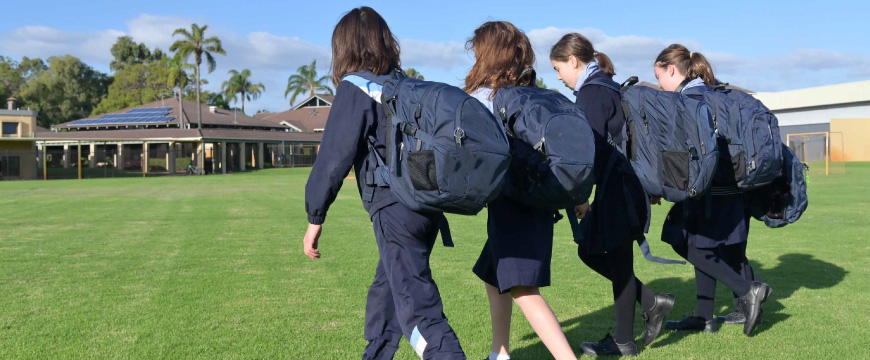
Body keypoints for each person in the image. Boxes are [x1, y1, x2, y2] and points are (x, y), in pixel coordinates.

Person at [302, 7, 466, 359]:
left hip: (395, 208)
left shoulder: (356, 87)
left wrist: (315, 218)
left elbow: (333, 158)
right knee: (388, 292)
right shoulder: (404, 84)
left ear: (344, 46)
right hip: (425, 206)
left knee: (419, 314)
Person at [549, 33, 675, 356]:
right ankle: (650, 303)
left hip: (618, 189)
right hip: (622, 187)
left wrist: (580, 195)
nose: (559, 77)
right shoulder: (606, 86)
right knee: (594, 252)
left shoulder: (591, 93)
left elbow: (586, 152)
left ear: (573, 61)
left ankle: (625, 340)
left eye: (558, 68)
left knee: (614, 261)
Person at [464, 21, 577, 360]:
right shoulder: (537, 93)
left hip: (513, 202)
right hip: (537, 198)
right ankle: (499, 352)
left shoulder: (487, 96)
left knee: (522, 287)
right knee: (492, 272)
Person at [654, 44, 771, 336]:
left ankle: (747, 291)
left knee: (685, 241)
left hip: (708, 190)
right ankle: (704, 317)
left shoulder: (688, 100)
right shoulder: (719, 95)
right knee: (710, 248)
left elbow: (682, 151)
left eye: (659, 77)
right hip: (735, 188)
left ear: (672, 70)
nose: (659, 85)